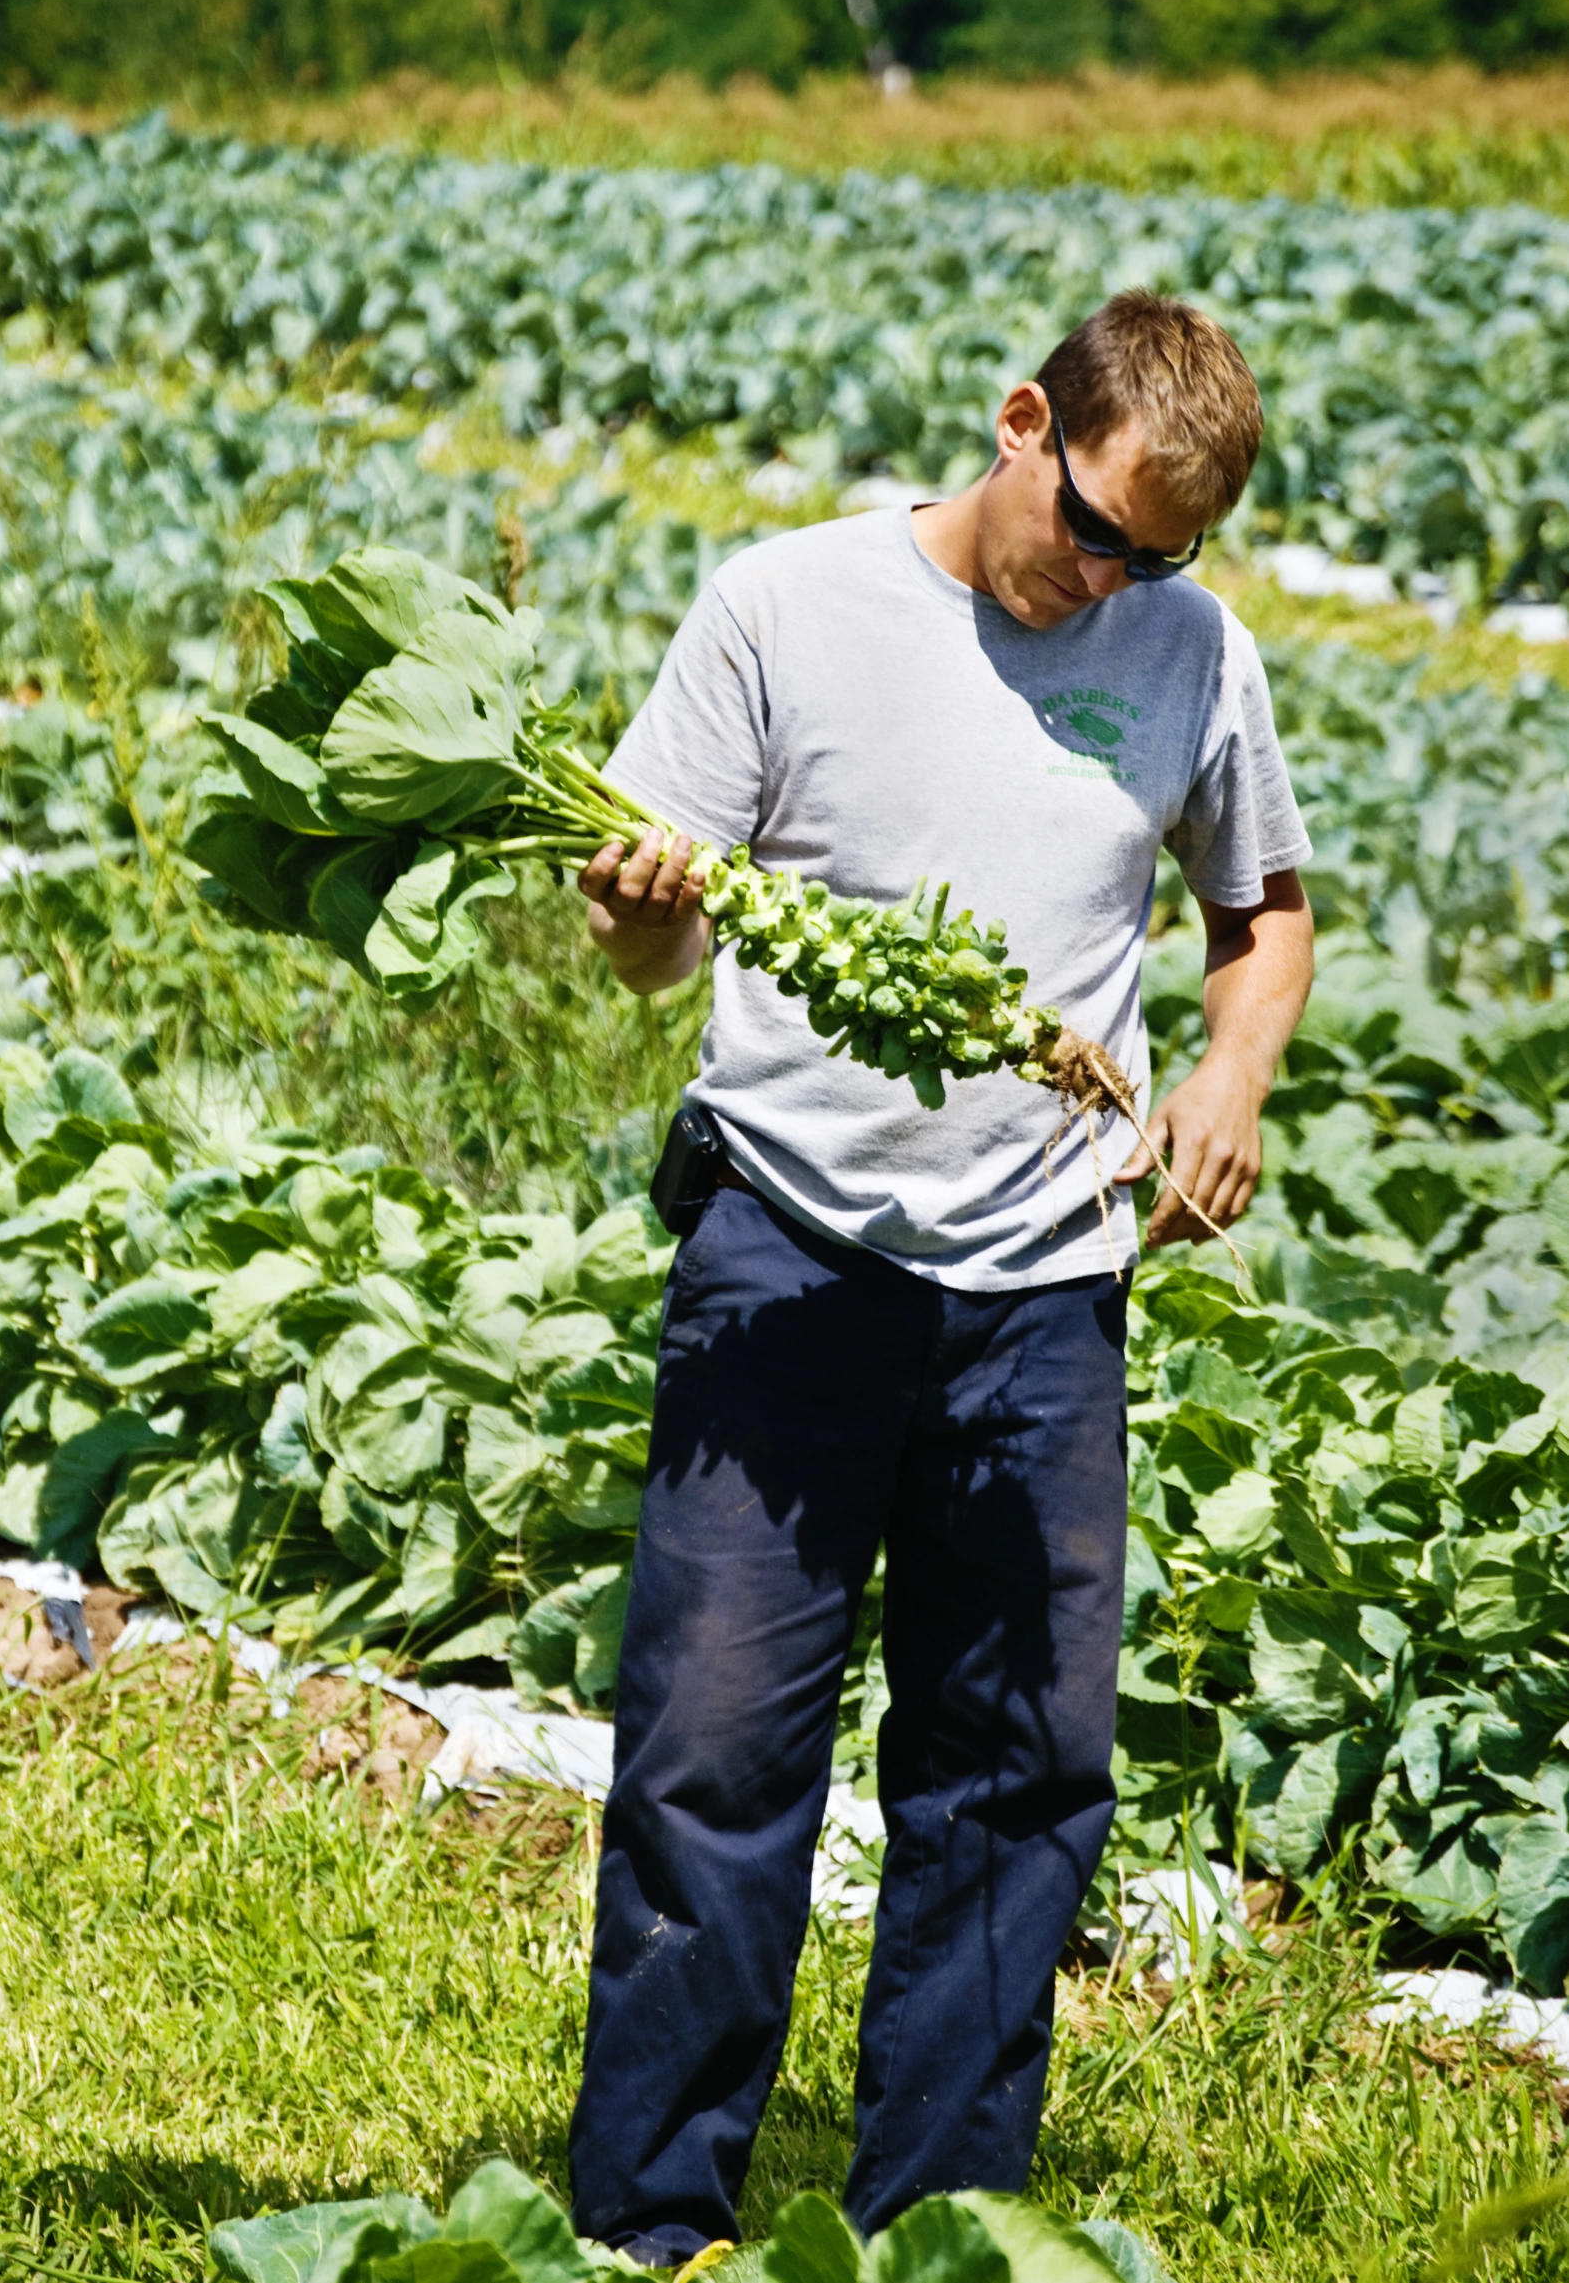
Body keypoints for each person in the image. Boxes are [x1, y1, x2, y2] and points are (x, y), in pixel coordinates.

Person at [568, 289, 1314, 2263]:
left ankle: (938, 2227)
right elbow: (650, 949)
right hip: (785, 1252)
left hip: (1042, 1290)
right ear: (1016, 425)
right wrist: (639, 916)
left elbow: (1261, 905)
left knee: (1014, 1772)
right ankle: (650, 2223)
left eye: (1158, 554)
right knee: (712, 1753)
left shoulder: (1190, 644)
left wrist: (1228, 1067)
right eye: (1096, 529)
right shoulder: (782, 608)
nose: (1115, 579)